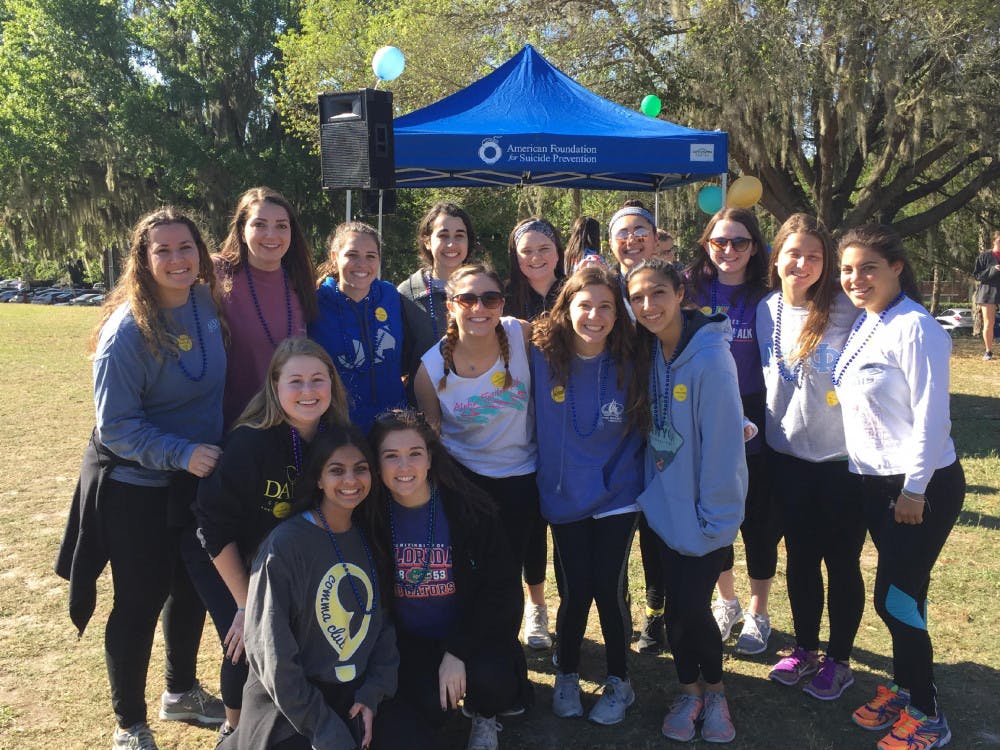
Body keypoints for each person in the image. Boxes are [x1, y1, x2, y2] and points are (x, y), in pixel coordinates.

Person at [56, 208, 227, 750]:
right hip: (135, 486)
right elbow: (118, 428)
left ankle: (179, 692)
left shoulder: (204, 301)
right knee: (139, 600)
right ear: (143, 260)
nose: (177, 259)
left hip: (191, 480)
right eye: (163, 251)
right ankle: (129, 724)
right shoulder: (126, 332)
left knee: (190, 588)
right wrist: (183, 452)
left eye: (186, 248)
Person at [834, 224, 965, 750]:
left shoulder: (916, 327)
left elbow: (932, 419)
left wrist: (914, 490)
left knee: (893, 599)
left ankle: (929, 714)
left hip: (918, 486)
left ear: (896, 268)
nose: (855, 278)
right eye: (847, 269)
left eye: (868, 267)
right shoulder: (869, 321)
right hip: (874, 482)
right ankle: (908, 685)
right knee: (908, 594)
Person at [192, 337, 350, 735]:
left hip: (282, 562)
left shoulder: (338, 437)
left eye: (318, 379)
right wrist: (247, 604)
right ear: (275, 387)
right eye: (295, 381)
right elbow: (211, 525)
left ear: (332, 383)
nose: (308, 391)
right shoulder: (251, 441)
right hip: (222, 556)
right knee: (247, 642)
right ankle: (235, 733)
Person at [626, 258, 746, 744]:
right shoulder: (652, 351)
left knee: (695, 609)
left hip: (704, 517)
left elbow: (724, 450)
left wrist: (715, 521)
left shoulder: (712, 360)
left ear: (680, 293)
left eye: (658, 293)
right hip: (660, 513)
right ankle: (688, 689)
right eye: (637, 298)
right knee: (676, 610)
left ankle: (715, 692)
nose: (648, 306)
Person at [221, 426, 398, 750]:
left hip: (351, 696)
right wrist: (323, 728)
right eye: (336, 470)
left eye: (360, 469)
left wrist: (372, 693)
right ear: (318, 478)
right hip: (288, 709)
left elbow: (382, 623)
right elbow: (271, 654)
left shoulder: (370, 536)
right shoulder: (284, 546)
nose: (350, 480)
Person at [366, 410, 530, 750]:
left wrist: (458, 650)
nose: (405, 467)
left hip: (472, 635)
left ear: (430, 458)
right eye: (391, 456)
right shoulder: (371, 518)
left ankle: (485, 716)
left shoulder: (470, 510)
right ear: (377, 464)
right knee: (429, 705)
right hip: (412, 642)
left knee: (494, 681)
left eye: (415, 454)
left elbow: (503, 594)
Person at [755, 215, 866, 700]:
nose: (802, 263)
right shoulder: (766, 310)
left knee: (841, 562)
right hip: (787, 459)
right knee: (799, 558)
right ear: (776, 257)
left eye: (814, 256)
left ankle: (839, 659)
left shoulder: (848, 310)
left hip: (841, 461)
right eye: (793, 253)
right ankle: (804, 648)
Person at [532, 265, 646, 725]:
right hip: (563, 496)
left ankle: (621, 680)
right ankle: (566, 672)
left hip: (618, 493)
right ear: (566, 309)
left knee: (608, 588)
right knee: (574, 589)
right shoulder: (539, 354)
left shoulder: (634, 357)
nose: (594, 316)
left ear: (618, 315)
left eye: (605, 307)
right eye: (584, 305)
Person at [412, 264, 540, 613]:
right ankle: (469, 647)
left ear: (502, 304)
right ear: (450, 305)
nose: (479, 308)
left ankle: (507, 649)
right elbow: (433, 437)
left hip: (520, 476)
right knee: (471, 569)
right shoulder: (431, 367)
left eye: (490, 299)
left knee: (509, 570)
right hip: (464, 479)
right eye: (467, 299)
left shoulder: (520, 335)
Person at [686, 207, 778, 656]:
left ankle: (758, 614)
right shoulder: (689, 288)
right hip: (704, 417)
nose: (729, 250)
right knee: (714, 517)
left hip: (757, 416)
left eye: (739, 242)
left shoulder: (769, 295)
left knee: (758, 522)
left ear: (755, 247)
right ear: (706, 244)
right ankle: (728, 602)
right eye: (719, 242)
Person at [606, 199, 665, 654]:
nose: (631, 238)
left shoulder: (671, 283)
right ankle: (619, 611)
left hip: (664, 421)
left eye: (639, 229)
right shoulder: (603, 287)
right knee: (617, 527)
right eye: (622, 232)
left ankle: (656, 615)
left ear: (655, 234)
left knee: (659, 529)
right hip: (616, 426)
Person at [504, 216, 566, 651]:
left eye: (544, 248)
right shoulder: (503, 298)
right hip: (518, 421)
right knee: (528, 525)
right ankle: (536, 608)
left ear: (558, 251)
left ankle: (572, 606)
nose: (536, 257)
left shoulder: (577, 292)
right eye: (527, 250)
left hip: (568, 421)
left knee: (565, 518)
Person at [214, 187, 318, 429]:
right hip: (236, 428)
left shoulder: (300, 282)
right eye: (259, 224)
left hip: (291, 425)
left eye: (281, 225)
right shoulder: (218, 273)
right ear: (241, 231)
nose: (271, 234)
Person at [310, 221, 418, 432]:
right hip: (340, 430)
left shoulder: (390, 296)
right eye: (352, 255)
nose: (362, 264)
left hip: (393, 428)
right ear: (334, 256)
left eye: (371, 256)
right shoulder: (316, 304)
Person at [398, 203, 478, 357]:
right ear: (427, 241)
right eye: (443, 235)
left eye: (459, 235)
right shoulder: (406, 294)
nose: (451, 244)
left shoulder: (485, 289)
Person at [972, 230, 1000, 360]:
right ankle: (988, 351)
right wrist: (992, 270)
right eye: (999, 240)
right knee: (989, 322)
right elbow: (977, 275)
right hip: (988, 292)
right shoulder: (985, 256)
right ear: (994, 241)